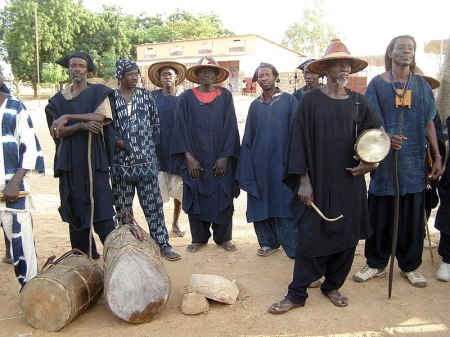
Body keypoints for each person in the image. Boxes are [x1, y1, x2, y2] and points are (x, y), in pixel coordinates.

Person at [268, 39, 383, 313]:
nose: (343, 68)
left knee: (347, 237)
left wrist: (370, 165)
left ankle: (332, 285)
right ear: (326, 69)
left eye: (347, 64)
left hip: (349, 183)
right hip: (317, 182)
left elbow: (378, 137)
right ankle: (296, 294)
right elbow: (297, 142)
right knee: (311, 237)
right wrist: (304, 181)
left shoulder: (359, 103)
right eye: (337, 63)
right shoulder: (310, 102)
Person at [353, 35, 442, 288]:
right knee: (381, 214)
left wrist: (436, 156)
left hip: (414, 162)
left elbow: (429, 123)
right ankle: (376, 263)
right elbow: (369, 121)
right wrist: (386, 137)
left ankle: (410, 265)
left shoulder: (422, 86)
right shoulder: (378, 85)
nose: (406, 52)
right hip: (383, 162)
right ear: (390, 53)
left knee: (412, 215)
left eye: (411, 49)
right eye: (401, 48)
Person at [45, 51, 116, 258]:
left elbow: (100, 116)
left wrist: (68, 117)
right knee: (75, 213)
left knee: (102, 213)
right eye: (73, 65)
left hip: (94, 162)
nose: (76, 69)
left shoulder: (99, 93)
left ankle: (116, 261)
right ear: (68, 69)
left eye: (81, 66)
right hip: (70, 164)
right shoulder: (57, 101)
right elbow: (57, 131)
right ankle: (86, 260)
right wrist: (81, 125)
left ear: (87, 70)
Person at [111, 59, 181, 262]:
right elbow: (108, 128)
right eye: (130, 74)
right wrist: (121, 143)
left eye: (136, 74)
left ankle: (163, 245)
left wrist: (145, 148)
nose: (135, 77)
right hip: (120, 166)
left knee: (154, 208)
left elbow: (155, 127)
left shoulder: (146, 97)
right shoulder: (111, 98)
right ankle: (127, 248)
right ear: (120, 76)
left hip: (147, 164)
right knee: (123, 210)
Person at [171, 56, 240, 253]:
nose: (207, 74)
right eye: (202, 71)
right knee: (196, 195)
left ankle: (223, 237)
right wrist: (188, 157)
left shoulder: (226, 96)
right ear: (197, 75)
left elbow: (231, 128)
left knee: (223, 195)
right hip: (196, 160)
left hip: (220, 159)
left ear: (217, 74)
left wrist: (225, 156)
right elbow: (180, 129)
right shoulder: (185, 98)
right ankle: (199, 238)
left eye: (211, 71)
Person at [237, 63, 299, 258]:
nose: (263, 78)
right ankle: (267, 243)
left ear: (275, 76)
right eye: (260, 76)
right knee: (260, 200)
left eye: (267, 75)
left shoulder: (290, 102)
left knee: (284, 202)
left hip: (282, 163)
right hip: (259, 164)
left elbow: (297, 133)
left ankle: (292, 246)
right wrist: (247, 163)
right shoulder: (255, 106)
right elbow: (248, 136)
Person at [1, 88, 45, 286]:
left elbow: (29, 148)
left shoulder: (14, 107)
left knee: (22, 245)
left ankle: (31, 290)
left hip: (11, 189)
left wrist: (14, 182)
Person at [148, 61, 187, 238]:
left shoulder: (184, 97)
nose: (166, 77)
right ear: (159, 78)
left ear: (176, 77)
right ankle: (160, 227)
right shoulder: (152, 97)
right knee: (158, 194)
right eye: (163, 74)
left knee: (179, 193)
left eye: (170, 74)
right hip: (157, 152)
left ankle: (175, 223)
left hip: (178, 152)